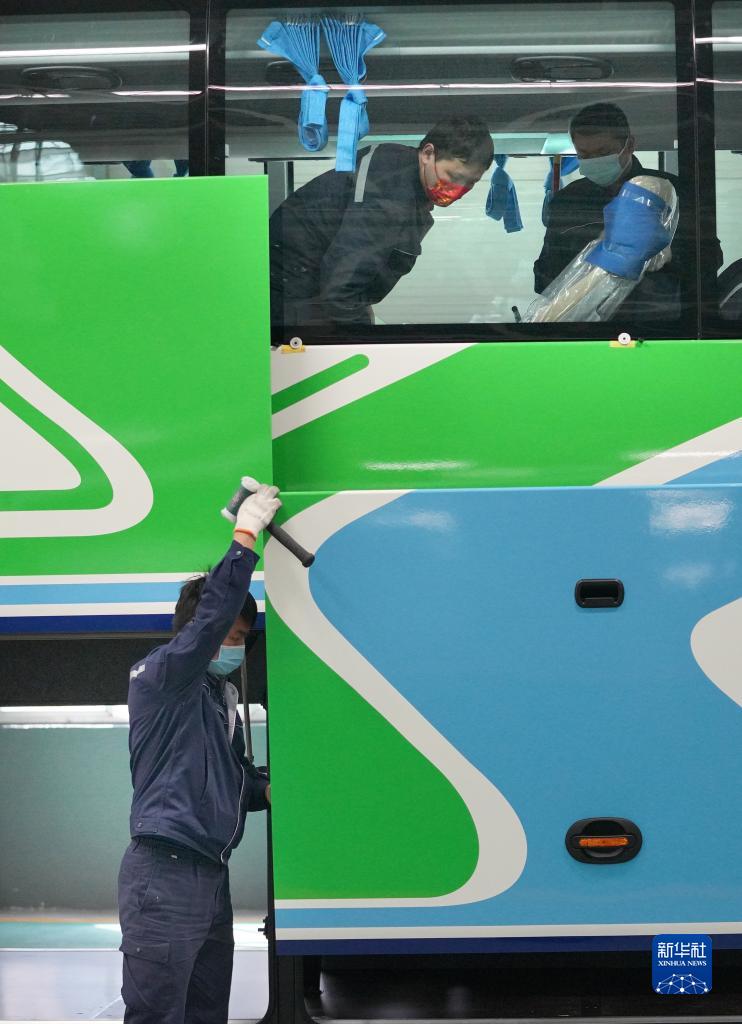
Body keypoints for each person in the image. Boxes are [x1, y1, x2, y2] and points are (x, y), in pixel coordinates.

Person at [117, 483, 281, 1024]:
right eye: (224, 634)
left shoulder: (218, 701)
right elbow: (212, 617)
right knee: (158, 1014)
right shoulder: (162, 678)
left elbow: (234, 779)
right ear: (193, 633)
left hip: (211, 872)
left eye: (240, 638)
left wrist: (268, 790)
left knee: (206, 1010)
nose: (232, 646)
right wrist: (245, 536)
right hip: (163, 871)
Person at [269, 115, 494, 331]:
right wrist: (368, 340)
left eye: (470, 182)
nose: (458, 190)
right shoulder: (388, 193)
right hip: (288, 298)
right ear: (427, 154)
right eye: (453, 177)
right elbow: (341, 292)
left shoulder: (401, 177)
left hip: (302, 291)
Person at [533, 102, 721, 320]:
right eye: (584, 155)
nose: (594, 161)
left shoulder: (673, 192)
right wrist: (590, 263)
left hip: (658, 324)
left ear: (629, 144)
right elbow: (543, 277)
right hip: (586, 327)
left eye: (603, 153)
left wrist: (667, 255)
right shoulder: (569, 201)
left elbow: (711, 259)